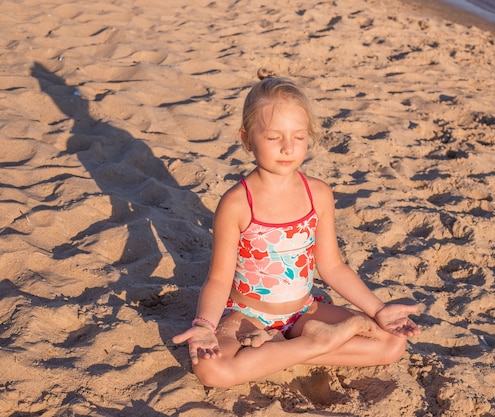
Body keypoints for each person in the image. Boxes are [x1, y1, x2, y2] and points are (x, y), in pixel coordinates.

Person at [173, 68, 420, 388]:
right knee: (211, 371)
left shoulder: (318, 194)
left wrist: (379, 309)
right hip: (247, 315)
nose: (288, 148)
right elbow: (219, 278)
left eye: (298, 137)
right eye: (274, 137)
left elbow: (332, 266)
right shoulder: (237, 203)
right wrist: (205, 324)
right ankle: (313, 344)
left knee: (391, 343)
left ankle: (282, 348)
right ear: (247, 139)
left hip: (303, 313)